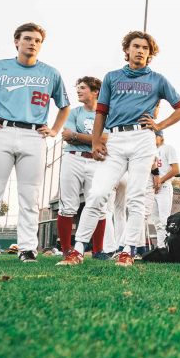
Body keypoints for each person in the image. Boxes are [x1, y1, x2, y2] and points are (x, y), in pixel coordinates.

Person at [57, 30, 180, 267]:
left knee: (136, 196)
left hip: (142, 138)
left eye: (145, 48)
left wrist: (159, 125)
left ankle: (127, 250)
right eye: (136, 46)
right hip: (115, 139)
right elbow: (101, 111)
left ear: (150, 54)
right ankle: (76, 250)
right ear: (127, 50)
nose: (140, 51)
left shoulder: (157, 79)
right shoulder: (112, 77)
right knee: (97, 193)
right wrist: (96, 141)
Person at [0, 22, 70, 263]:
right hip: (1, 131)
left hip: (34, 135)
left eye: (37, 40)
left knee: (30, 194)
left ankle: (27, 248)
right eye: (27, 38)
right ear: (17, 41)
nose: (32, 43)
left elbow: (64, 105)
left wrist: (55, 129)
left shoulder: (50, 73)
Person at [56, 76, 109, 257]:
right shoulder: (75, 112)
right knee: (68, 205)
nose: (78, 90)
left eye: (83, 87)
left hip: (96, 160)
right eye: (78, 87)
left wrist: (77, 136)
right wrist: (93, 139)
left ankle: (98, 250)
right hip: (73, 158)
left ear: (95, 92)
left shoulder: (105, 114)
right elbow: (66, 135)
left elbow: (106, 139)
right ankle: (66, 250)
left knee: (98, 203)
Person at [150, 132, 180, 247]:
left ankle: (167, 247)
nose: (153, 139)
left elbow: (176, 169)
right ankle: (160, 247)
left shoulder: (168, 148)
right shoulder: (150, 150)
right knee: (156, 222)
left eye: (155, 136)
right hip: (152, 189)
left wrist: (160, 180)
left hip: (164, 187)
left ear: (161, 137)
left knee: (164, 220)